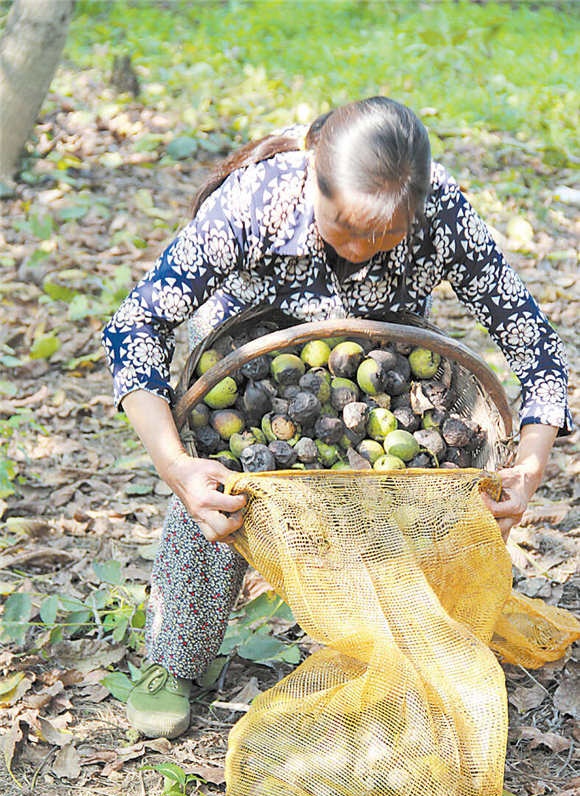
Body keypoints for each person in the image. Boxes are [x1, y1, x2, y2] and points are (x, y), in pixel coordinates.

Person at [102, 96, 571, 739]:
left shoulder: (444, 213)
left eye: (384, 237)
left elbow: (537, 349)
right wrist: (175, 464)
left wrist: (530, 465)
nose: (359, 250)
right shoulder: (256, 204)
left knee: (407, 499)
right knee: (218, 495)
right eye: (344, 229)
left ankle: (398, 650)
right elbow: (136, 325)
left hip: (381, 364)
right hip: (249, 359)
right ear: (313, 181)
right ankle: (175, 654)